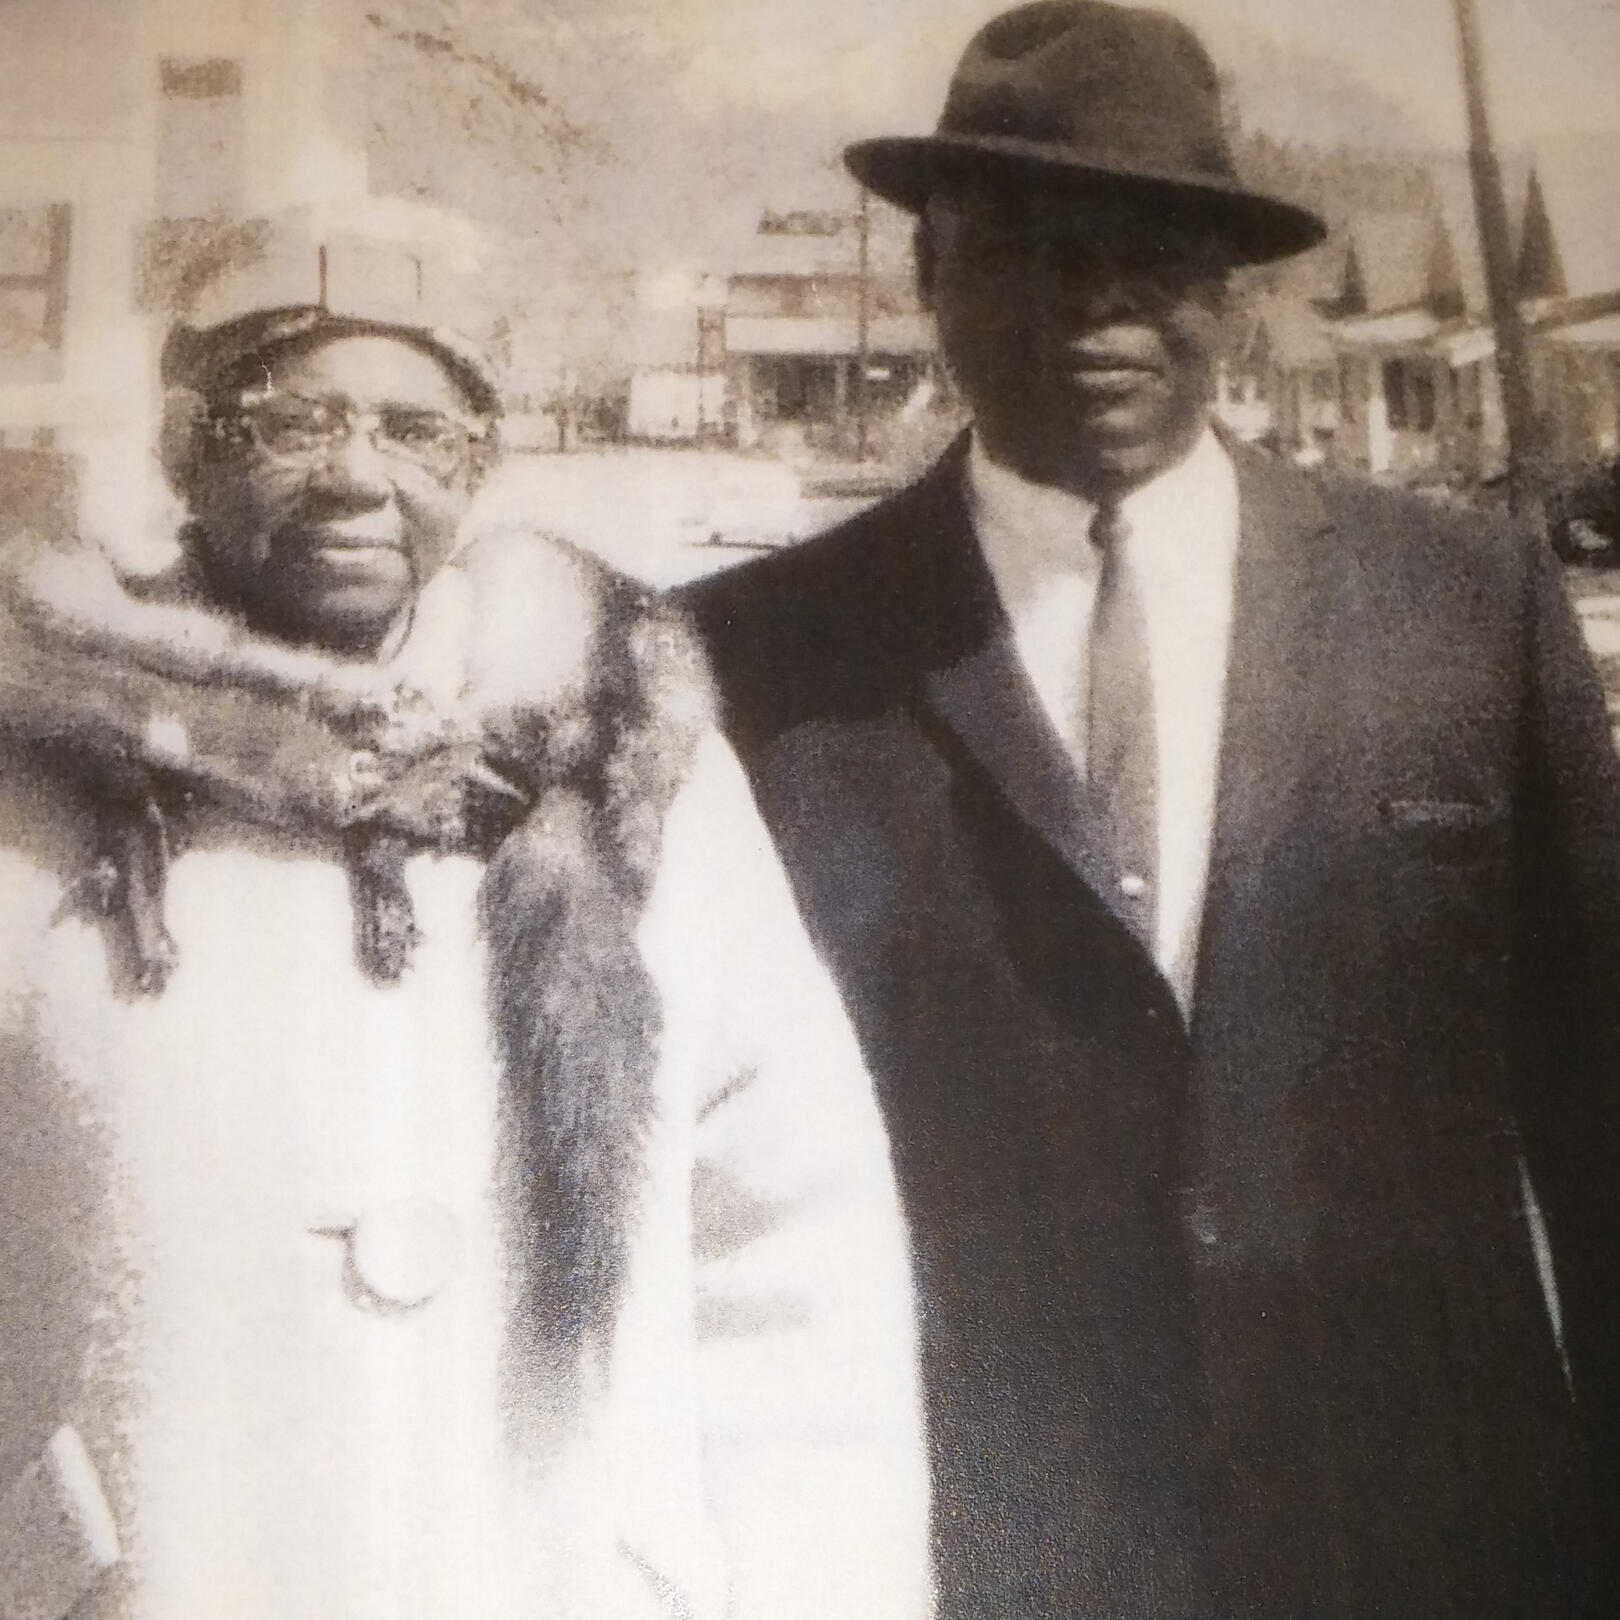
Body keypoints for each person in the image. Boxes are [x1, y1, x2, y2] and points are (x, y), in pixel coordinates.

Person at [681, 4, 1620, 1616]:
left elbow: (1599, 1093)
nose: (1095, 300)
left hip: (1430, 1528)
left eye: (1155, 252)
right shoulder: (754, 661)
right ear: (928, 275)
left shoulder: (1466, 605)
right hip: (994, 1536)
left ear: (1235, 292)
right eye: (1026, 248)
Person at [0, 203, 929, 1620]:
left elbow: (794, 1257)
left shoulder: (623, 767)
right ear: (187, 450)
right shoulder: (43, 760)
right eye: (290, 422)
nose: (356, 477)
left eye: (417, 431)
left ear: (480, 463)